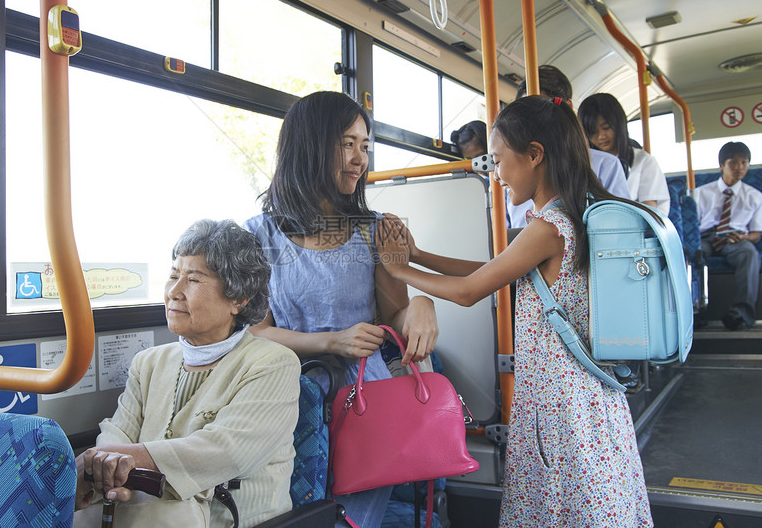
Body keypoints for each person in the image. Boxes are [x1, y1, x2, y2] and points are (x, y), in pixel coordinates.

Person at [375, 96, 654, 527]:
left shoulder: (548, 227)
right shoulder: (574, 213)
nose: (498, 175)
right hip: (590, 395)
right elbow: (493, 271)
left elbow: (470, 291)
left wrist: (399, 270)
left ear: (535, 155)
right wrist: (417, 255)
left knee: (561, 506)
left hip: (558, 400)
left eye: (501, 160)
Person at [244, 90, 438, 528]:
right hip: (285, 393)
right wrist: (331, 341)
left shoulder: (376, 231)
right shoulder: (259, 234)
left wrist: (422, 305)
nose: (359, 158)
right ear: (310, 145)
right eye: (347, 143)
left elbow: (392, 319)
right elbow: (255, 332)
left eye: (365, 145)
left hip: (366, 394)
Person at [74, 219, 300, 527]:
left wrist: (117, 459)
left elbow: (226, 452)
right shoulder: (148, 362)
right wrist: (106, 467)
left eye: (192, 280)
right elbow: (118, 432)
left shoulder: (273, 364)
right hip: (147, 515)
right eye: (172, 276)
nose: (174, 292)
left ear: (238, 298)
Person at [506, 65, 630, 227]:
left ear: (567, 107)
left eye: (541, 111)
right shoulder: (508, 171)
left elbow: (619, 224)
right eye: (524, 114)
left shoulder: (606, 165)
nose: (532, 122)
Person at [698, 141, 762, 330]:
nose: (740, 167)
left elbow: (757, 234)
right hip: (706, 236)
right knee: (694, 254)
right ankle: (695, 311)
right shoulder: (700, 193)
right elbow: (692, 227)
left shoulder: (755, 196)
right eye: (733, 162)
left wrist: (743, 238)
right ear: (722, 165)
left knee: (749, 254)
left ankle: (741, 314)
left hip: (735, 238)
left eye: (744, 162)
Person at [578, 92, 670, 215]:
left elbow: (649, 211)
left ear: (619, 124)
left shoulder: (644, 161)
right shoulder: (585, 162)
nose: (601, 136)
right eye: (593, 132)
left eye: (606, 128)